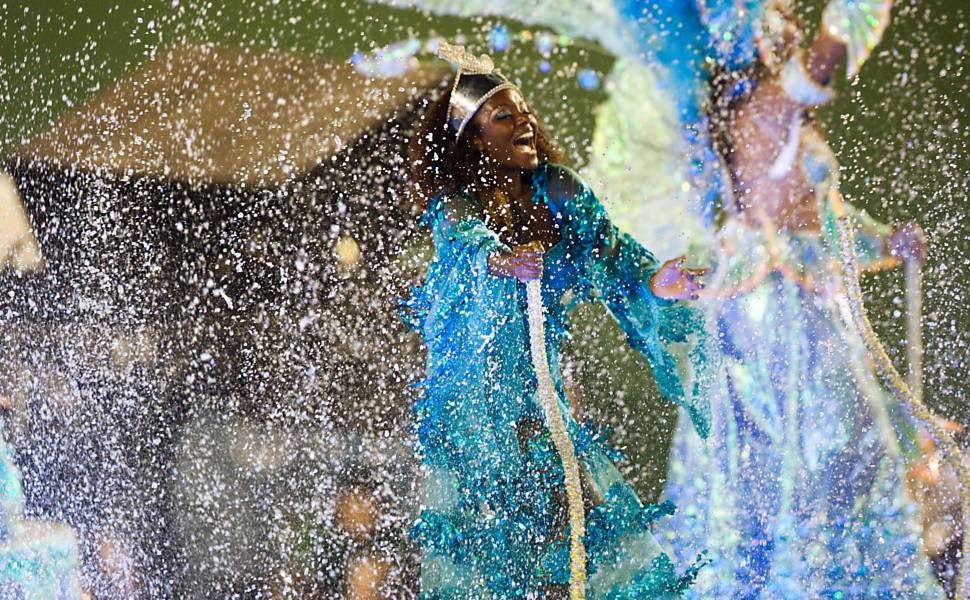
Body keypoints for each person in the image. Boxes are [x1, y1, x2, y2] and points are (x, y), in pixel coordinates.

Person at [656, 1, 945, 597]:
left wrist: (885, 241)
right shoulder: (762, 110)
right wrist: (839, 28)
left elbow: (822, 221)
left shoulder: (788, 121)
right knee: (824, 447)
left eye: (792, 31)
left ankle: (821, 577)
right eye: (778, 33)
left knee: (836, 449)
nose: (788, 41)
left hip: (795, 297)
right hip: (771, 308)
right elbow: (812, 72)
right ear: (752, 45)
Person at [402, 43, 711, 598]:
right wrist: (499, 259)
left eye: (524, 112)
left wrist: (655, 281)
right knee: (497, 551)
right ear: (472, 139)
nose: (524, 121)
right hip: (475, 406)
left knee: (583, 527)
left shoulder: (557, 187)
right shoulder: (457, 204)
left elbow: (611, 252)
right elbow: (464, 245)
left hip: (540, 395)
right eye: (504, 115)